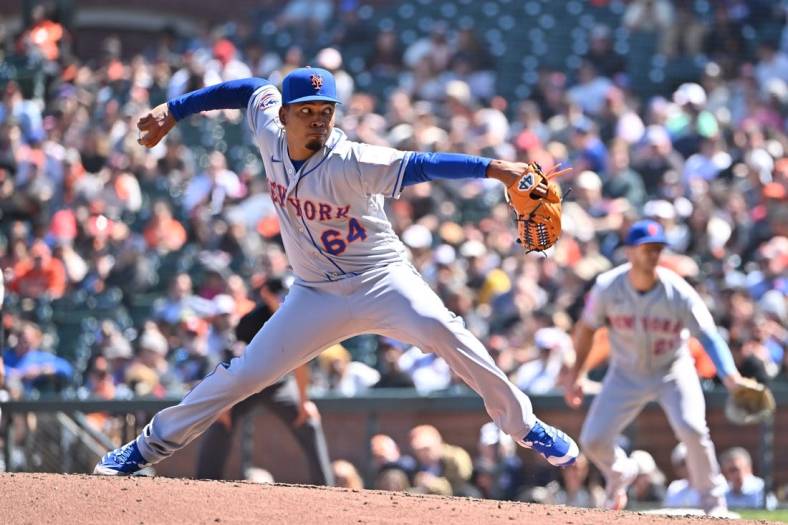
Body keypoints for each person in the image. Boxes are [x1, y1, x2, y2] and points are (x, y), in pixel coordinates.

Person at [93, 67, 578, 476]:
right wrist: (175, 109)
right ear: (283, 115)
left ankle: (524, 426)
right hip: (314, 296)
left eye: (325, 112)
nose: (318, 120)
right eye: (306, 111)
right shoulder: (268, 128)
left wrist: (497, 169)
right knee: (245, 375)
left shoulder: (351, 159)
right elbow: (247, 88)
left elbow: (426, 164)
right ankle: (145, 448)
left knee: (446, 332)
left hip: (381, 281)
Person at [564, 220, 754, 515]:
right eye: (647, 249)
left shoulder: (677, 291)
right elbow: (586, 329)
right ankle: (619, 472)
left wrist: (730, 376)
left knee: (692, 429)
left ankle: (714, 503)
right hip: (626, 373)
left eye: (658, 248)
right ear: (629, 252)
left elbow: (709, 335)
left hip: (672, 370)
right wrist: (577, 374)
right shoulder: (608, 287)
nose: (653, 254)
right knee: (593, 439)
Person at [194, 300, 333, 485]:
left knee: (308, 420)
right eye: (275, 292)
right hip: (247, 382)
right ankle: (203, 484)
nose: (280, 297)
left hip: (279, 383)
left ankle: (326, 486)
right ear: (265, 294)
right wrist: (223, 404)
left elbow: (300, 362)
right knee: (219, 419)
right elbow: (233, 364)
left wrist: (304, 401)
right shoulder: (252, 319)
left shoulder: (292, 317)